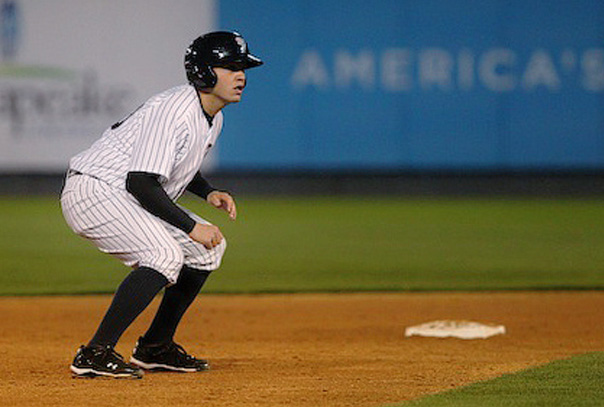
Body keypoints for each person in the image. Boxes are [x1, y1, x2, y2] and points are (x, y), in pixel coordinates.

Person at [60, 31, 263, 379]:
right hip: (94, 191)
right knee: (164, 256)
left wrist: (207, 191)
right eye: (230, 66)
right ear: (204, 72)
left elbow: (174, 162)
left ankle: (155, 347)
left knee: (206, 252)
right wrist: (190, 225)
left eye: (243, 66)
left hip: (121, 192)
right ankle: (95, 352)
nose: (241, 75)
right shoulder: (176, 110)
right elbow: (140, 181)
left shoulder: (212, 115)